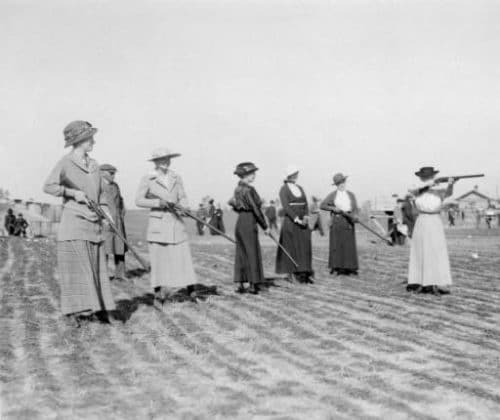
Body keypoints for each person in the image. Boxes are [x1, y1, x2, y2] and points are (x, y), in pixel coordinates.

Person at [43, 120, 116, 325]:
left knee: (98, 267)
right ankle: (74, 313)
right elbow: (48, 186)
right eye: (89, 138)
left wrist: (107, 213)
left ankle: (101, 308)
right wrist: (72, 193)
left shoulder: (94, 165)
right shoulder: (65, 162)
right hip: (73, 221)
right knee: (76, 269)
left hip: (94, 223)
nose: (93, 141)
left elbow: (100, 193)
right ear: (80, 141)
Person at [135, 148, 197, 302]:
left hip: (176, 223)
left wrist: (184, 208)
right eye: (161, 159)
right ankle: (158, 293)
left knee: (183, 258)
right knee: (159, 260)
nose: (165, 161)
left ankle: (192, 291)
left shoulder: (176, 177)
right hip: (159, 225)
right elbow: (139, 200)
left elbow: (182, 196)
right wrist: (158, 203)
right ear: (155, 162)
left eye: (167, 158)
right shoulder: (148, 178)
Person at [406, 166, 455, 295]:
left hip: (435, 221)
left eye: (429, 176)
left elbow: (449, 193)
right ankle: (421, 282)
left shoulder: (438, 191)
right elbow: (412, 191)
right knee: (421, 251)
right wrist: (432, 183)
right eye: (425, 176)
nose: (427, 178)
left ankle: (435, 281)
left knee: (436, 251)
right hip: (422, 220)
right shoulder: (416, 188)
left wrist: (450, 184)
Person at [229, 162, 270, 294]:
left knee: (242, 252)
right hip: (248, 221)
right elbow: (255, 209)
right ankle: (254, 284)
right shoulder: (249, 189)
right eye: (252, 173)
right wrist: (265, 226)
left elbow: (237, 207)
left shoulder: (237, 189)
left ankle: (242, 283)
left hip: (240, 221)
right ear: (246, 175)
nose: (254, 175)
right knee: (252, 252)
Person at [275, 166, 314, 283]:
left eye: (296, 174)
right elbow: (286, 207)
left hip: (303, 222)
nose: (295, 176)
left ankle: (303, 272)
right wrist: (296, 219)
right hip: (291, 222)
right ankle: (292, 273)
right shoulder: (284, 189)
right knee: (291, 247)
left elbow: (306, 203)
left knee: (304, 247)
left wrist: (306, 217)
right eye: (293, 174)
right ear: (288, 176)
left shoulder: (300, 188)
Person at [320, 173, 359, 276]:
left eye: (342, 182)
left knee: (348, 245)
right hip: (337, 221)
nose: (341, 184)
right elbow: (322, 205)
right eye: (339, 183)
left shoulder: (351, 194)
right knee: (337, 245)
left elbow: (355, 208)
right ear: (336, 185)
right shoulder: (333, 195)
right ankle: (338, 267)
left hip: (348, 221)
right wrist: (333, 208)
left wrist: (355, 216)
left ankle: (349, 267)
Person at [100, 163, 127, 281]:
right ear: (102, 173)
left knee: (120, 247)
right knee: (104, 249)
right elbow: (95, 204)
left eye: (114, 173)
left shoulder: (115, 186)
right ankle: (102, 276)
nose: (113, 176)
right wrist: (103, 218)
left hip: (118, 221)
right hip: (104, 221)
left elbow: (120, 200)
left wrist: (122, 213)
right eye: (111, 173)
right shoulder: (97, 186)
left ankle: (120, 275)